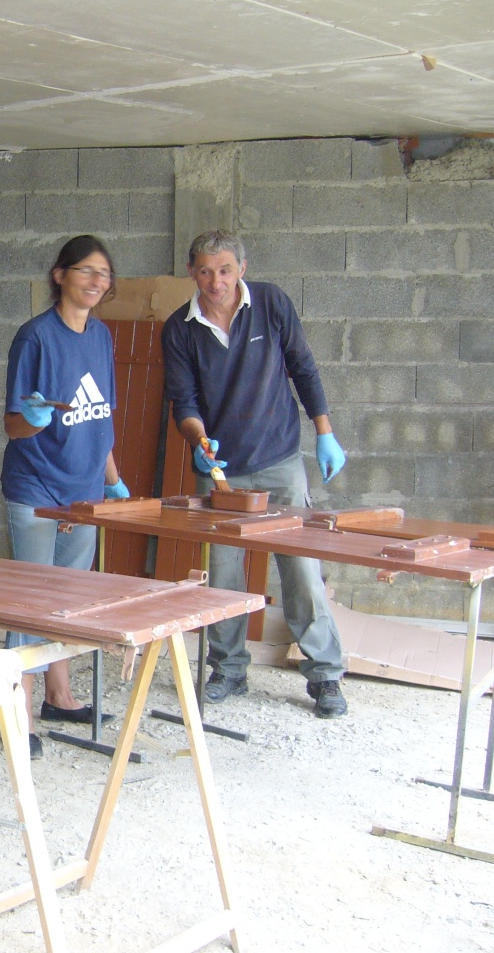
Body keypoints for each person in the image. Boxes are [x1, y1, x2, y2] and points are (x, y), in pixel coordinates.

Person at [161, 229, 348, 719]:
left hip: (281, 460)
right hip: (222, 473)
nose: (215, 281)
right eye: (204, 270)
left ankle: (325, 674)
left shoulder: (271, 303)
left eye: (224, 269)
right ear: (191, 272)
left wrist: (324, 431)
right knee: (223, 575)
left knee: (302, 570)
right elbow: (185, 401)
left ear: (242, 268)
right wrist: (199, 441)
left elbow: (303, 368)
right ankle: (228, 668)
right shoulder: (180, 327)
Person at [1, 235, 129, 759]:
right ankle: (19, 715)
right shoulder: (35, 338)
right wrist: (32, 417)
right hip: (37, 487)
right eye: (86, 271)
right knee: (32, 605)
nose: (97, 281)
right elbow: (12, 425)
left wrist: (112, 481)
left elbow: (100, 418)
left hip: (85, 492)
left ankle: (60, 696)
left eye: (104, 273)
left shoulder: (100, 337)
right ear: (59, 275)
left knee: (69, 603)